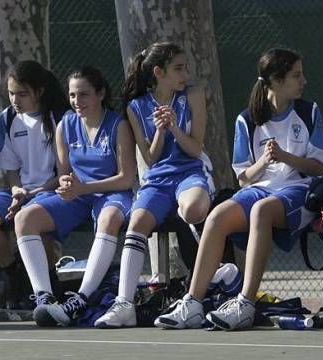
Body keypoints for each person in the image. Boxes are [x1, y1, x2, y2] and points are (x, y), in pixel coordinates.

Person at [154, 48, 323, 330]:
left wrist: (286, 157)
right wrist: (264, 161)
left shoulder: (308, 112)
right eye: (296, 75)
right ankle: (193, 303)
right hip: (259, 188)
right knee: (216, 216)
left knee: (261, 211)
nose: (304, 81)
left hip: (299, 190)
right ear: (275, 80)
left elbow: (320, 167)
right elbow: (244, 178)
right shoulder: (247, 119)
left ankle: (246, 303)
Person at [94, 42, 215, 328]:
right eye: (178, 68)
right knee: (136, 222)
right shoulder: (136, 106)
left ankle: (214, 273)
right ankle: (124, 304)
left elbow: (196, 149)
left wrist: (174, 126)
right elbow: (150, 157)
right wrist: (161, 129)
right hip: (158, 179)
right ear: (159, 72)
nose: (185, 74)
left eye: (185, 67)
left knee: (194, 208)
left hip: (191, 171)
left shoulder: (194, 95)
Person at [14, 66, 136, 326]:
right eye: (72, 95)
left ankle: (80, 298)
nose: (76, 102)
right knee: (25, 219)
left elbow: (126, 178)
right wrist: (63, 186)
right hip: (79, 197)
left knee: (109, 218)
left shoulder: (118, 124)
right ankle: (44, 298)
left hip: (112, 194)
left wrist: (83, 188)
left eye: (83, 95)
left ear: (100, 94)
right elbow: (64, 175)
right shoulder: (66, 124)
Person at [0, 60, 69, 309]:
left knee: (31, 219)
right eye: (12, 93)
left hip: (54, 191)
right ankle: (16, 275)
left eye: (22, 93)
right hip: (23, 192)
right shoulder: (8, 118)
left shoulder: (61, 118)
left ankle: (49, 286)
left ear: (40, 91)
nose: (15, 99)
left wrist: (33, 194)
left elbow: (66, 174)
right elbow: (11, 170)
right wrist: (17, 190)